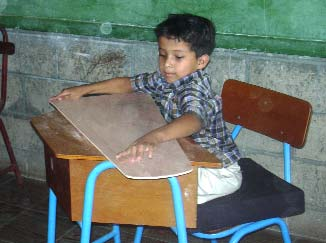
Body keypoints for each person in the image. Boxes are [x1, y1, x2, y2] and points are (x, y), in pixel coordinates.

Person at [50, 13, 242, 204]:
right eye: (162, 54)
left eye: (178, 57)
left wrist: (153, 137)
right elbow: (128, 84)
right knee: (128, 171)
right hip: (184, 157)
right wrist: (84, 90)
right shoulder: (164, 79)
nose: (167, 64)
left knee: (143, 191)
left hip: (217, 173)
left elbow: (193, 119)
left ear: (201, 61)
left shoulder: (195, 89)